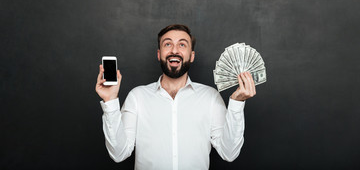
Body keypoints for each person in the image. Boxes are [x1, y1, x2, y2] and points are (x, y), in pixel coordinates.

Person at [95, 24, 256, 170]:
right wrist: (110, 102)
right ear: (159, 54)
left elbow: (229, 153)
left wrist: (237, 102)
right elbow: (118, 154)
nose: (174, 50)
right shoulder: (137, 97)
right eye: (167, 44)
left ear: (191, 56)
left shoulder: (211, 97)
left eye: (182, 44)